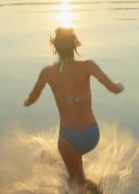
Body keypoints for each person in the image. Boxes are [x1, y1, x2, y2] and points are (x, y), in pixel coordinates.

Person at [24, 27, 124, 190]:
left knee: (77, 182)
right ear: (75, 45)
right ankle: (86, 183)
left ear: (55, 48)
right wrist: (120, 86)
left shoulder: (48, 73)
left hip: (68, 140)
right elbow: (113, 88)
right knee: (73, 174)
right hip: (92, 135)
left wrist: (27, 101)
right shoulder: (88, 66)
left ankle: (88, 187)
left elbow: (33, 97)